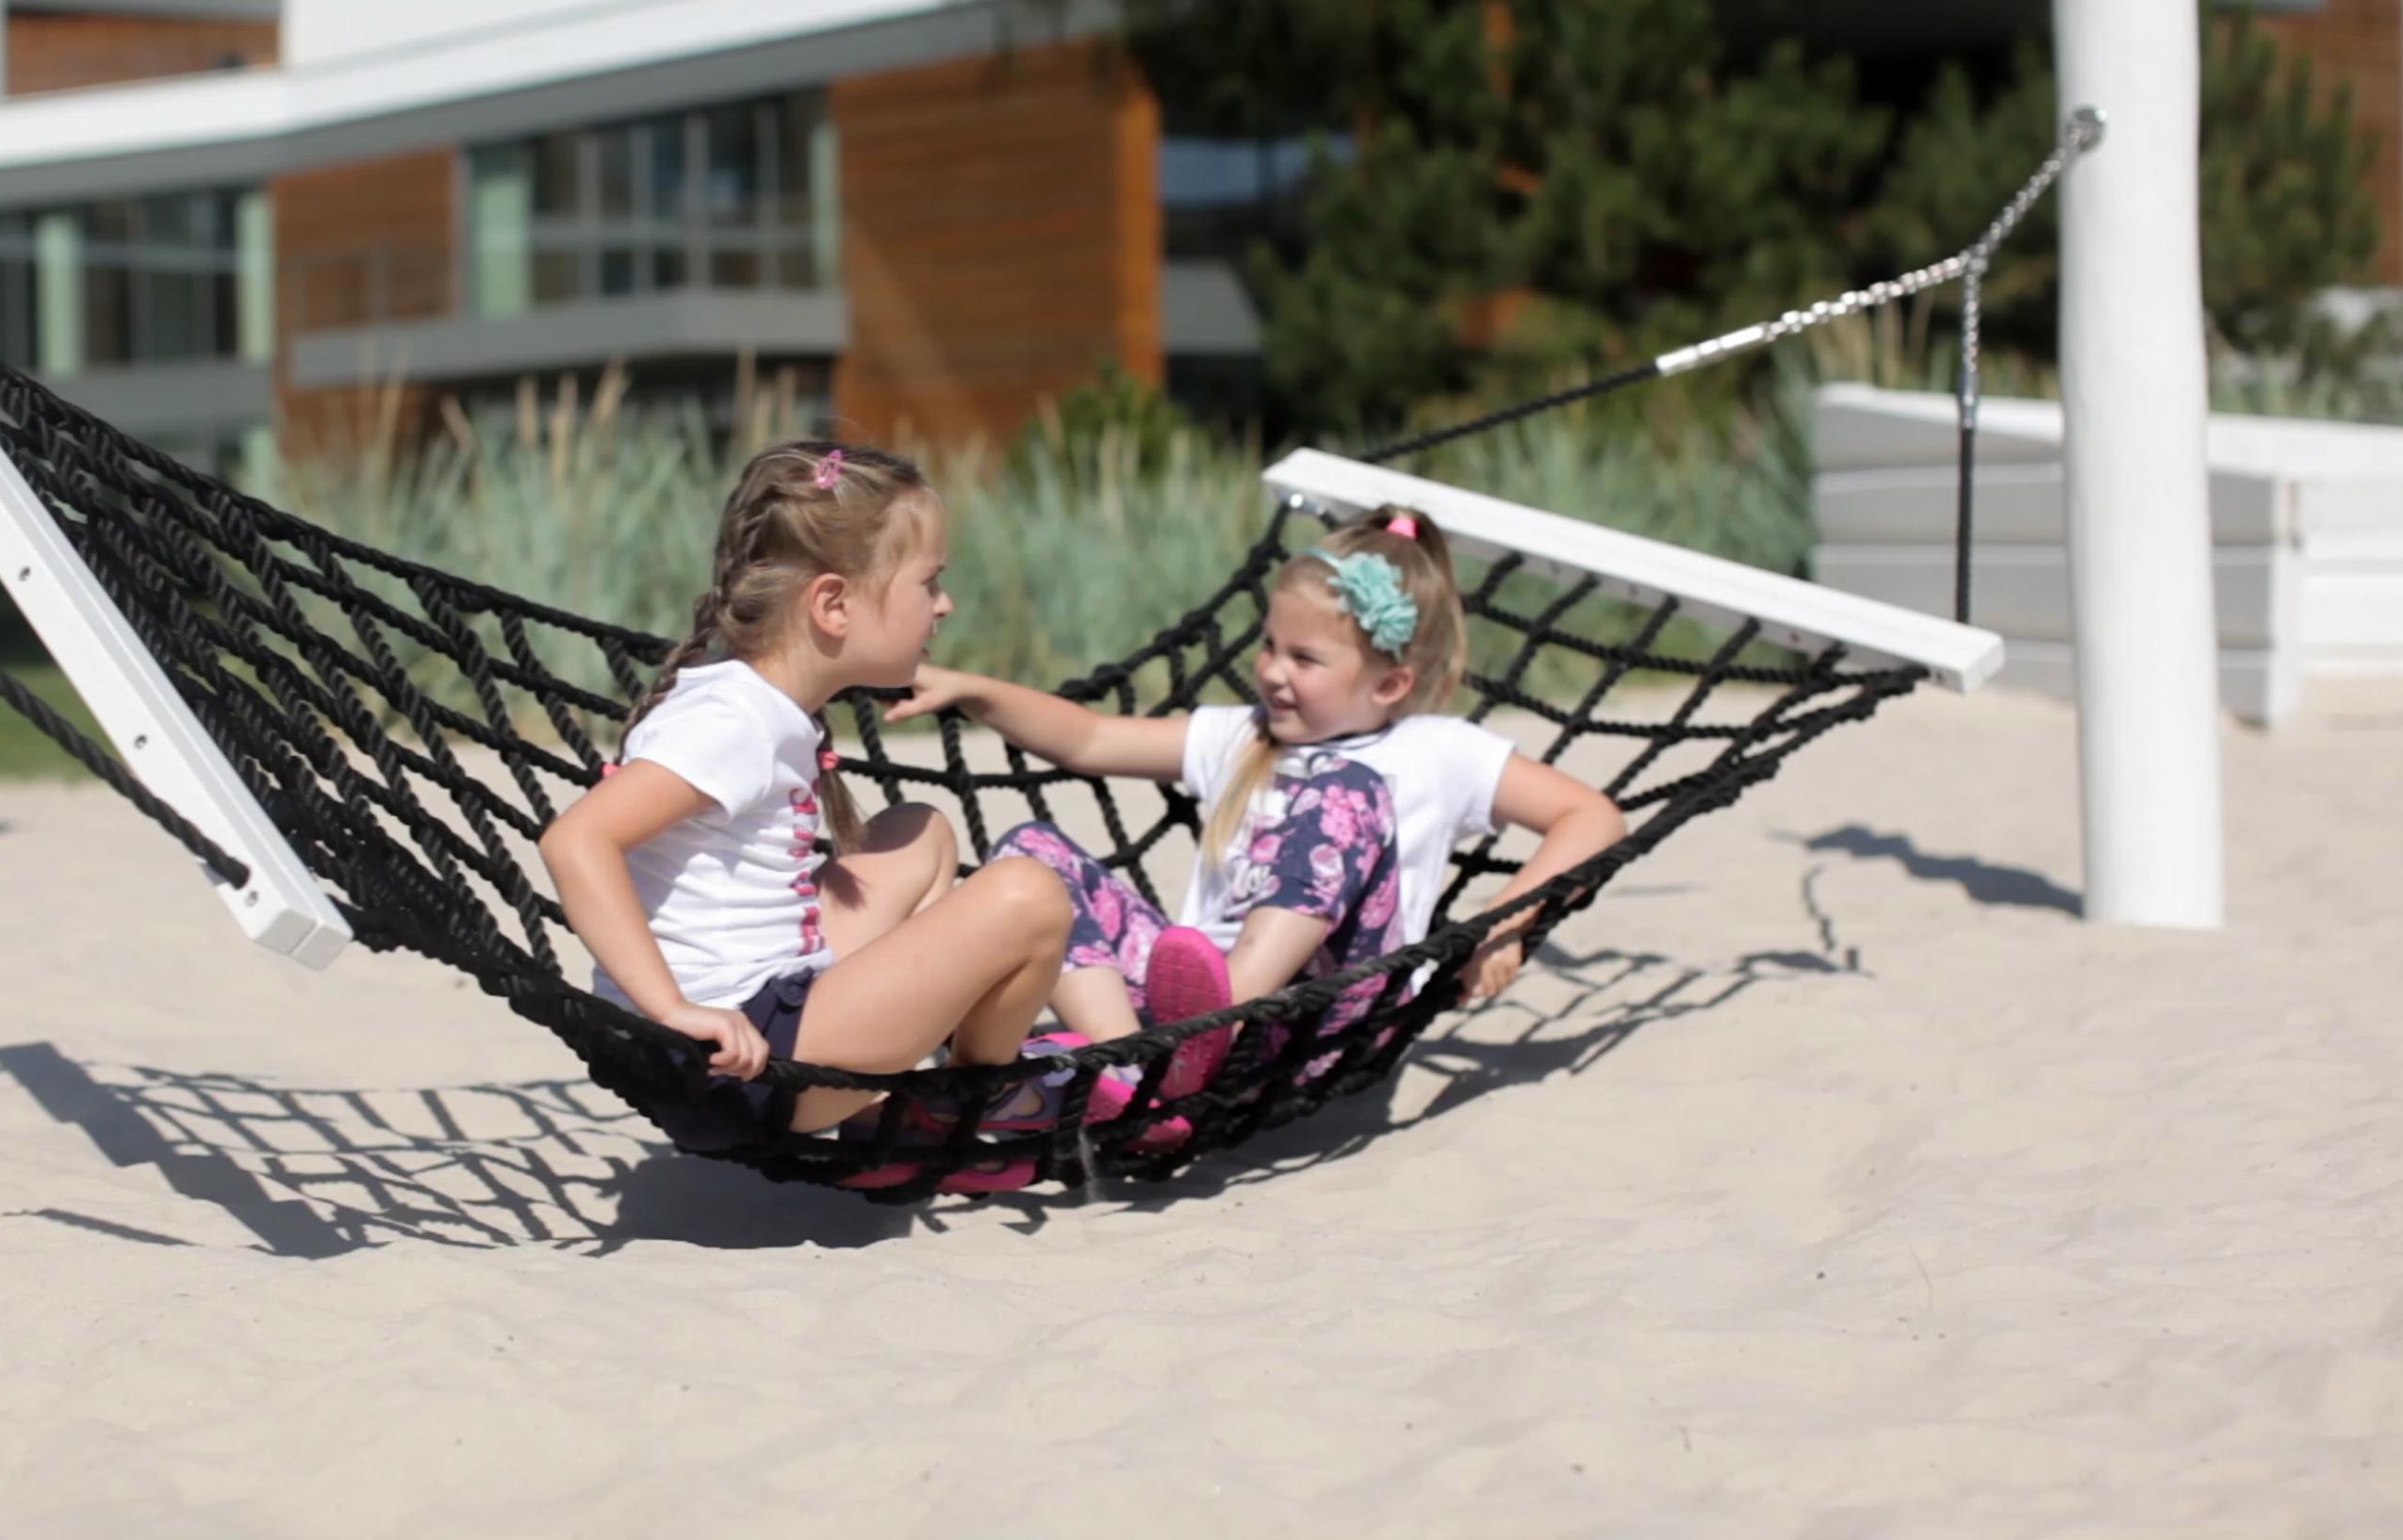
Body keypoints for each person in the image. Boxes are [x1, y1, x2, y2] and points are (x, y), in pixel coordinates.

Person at [889, 504, 1629, 1091]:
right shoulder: (1244, 735)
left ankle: (1215, 1021)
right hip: (1181, 1012)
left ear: (1391, 683)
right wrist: (973, 690)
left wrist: (1501, 927)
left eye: (1305, 658)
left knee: (1345, 790)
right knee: (1030, 854)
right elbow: (1089, 739)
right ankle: (1131, 1067)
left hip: (1329, 1020)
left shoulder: (1436, 751)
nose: (1272, 671)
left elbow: (1591, 816)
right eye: (1270, 645)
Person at [543, 441, 1078, 1152]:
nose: (944, 604)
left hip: (761, 1015)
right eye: (929, 583)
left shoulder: (753, 699)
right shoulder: (734, 721)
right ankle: (973, 1100)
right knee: (1029, 896)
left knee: (919, 831)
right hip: (736, 1063)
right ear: (832, 604)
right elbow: (576, 841)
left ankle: (900, 1094)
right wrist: (671, 1009)